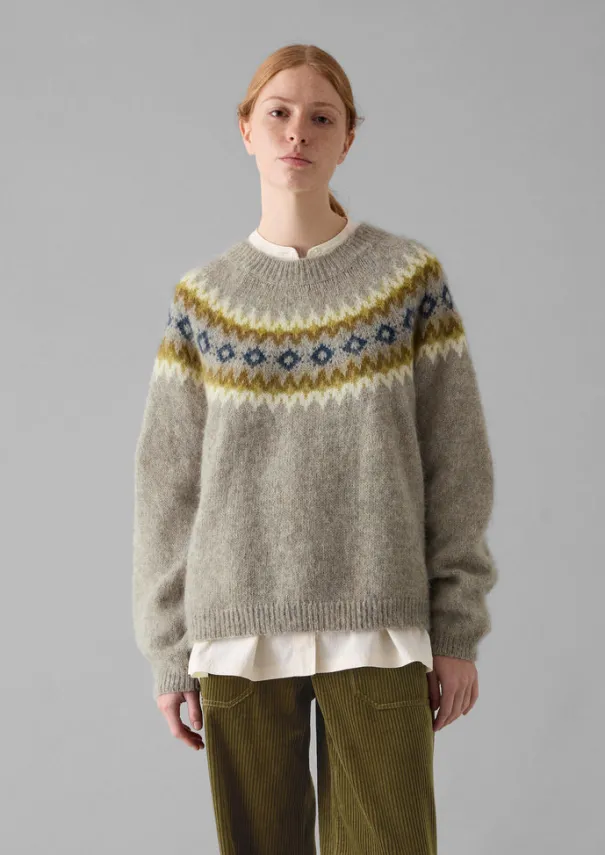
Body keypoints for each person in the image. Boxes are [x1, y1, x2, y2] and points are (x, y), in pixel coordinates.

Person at [132, 43, 498, 855]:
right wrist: (168, 649)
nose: (297, 131)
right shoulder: (204, 302)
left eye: (320, 117)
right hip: (236, 629)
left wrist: (455, 625)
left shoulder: (406, 281)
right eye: (279, 113)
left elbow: (457, 461)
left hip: (379, 619)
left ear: (347, 139)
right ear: (246, 130)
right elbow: (166, 485)